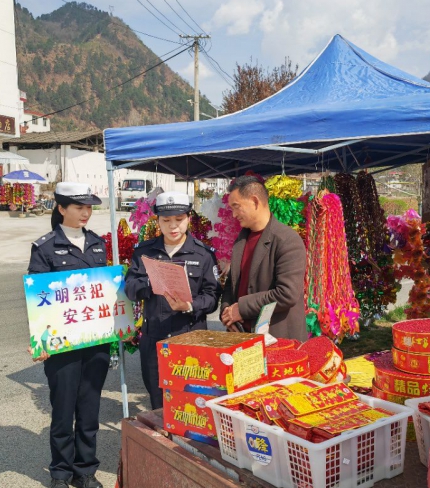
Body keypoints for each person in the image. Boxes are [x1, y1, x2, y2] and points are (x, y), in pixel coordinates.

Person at [27, 182, 111, 488]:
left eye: (89, 207)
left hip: (94, 342)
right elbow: (37, 298)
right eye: (79, 207)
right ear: (61, 209)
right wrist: (40, 340)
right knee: (63, 410)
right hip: (62, 345)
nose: (86, 212)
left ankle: (85, 470)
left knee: (89, 409)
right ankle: (60, 472)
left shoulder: (98, 244)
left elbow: (105, 291)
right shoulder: (45, 247)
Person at [125, 192, 221, 409]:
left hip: (190, 337)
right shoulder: (144, 252)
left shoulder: (203, 254)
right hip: (154, 338)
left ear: (188, 218)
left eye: (179, 219)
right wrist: (151, 284)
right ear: (157, 220)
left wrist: (190, 305)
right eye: (166, 220)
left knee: (192, 402)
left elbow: (212, 297)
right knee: (159, 402)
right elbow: (130, 288)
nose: (173, 226)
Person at [220, 175, 307, 342]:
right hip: (242, 337)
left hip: (278, 339)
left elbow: (286, 294)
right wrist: (227, 312)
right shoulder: (241, 239)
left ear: (255, 201)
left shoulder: (286, 239)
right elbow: (232, 284)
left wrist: (241, 309)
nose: (233, 215)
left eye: (236, 207)